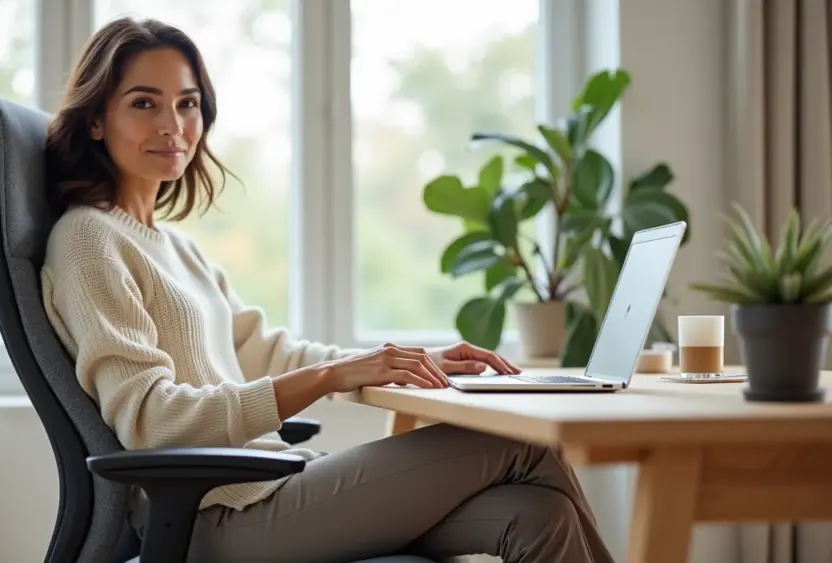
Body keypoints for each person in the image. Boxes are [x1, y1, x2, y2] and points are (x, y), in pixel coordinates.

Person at [40, 15, 615, 563]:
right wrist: (330, 377)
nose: (173, 125)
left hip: (271, 484)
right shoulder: (89, 239)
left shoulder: (175, 247)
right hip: (216, 517)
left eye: (187, 103)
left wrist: (395, 361)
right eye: (144, 103)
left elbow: (271, 353)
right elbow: (149, 419)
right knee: (517, 440)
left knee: (539, 516)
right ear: (96, 120)